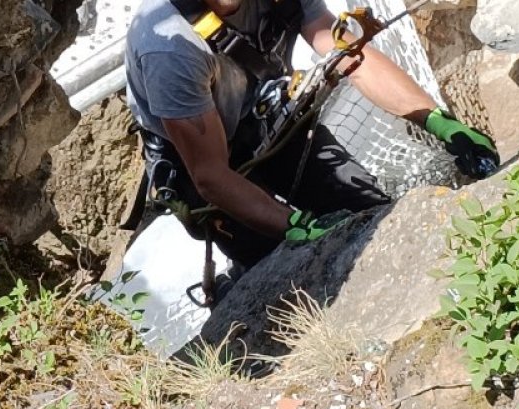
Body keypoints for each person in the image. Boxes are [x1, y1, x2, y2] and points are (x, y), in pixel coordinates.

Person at [125, 0, 499, 270]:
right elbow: (210, 174)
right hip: (199, 152)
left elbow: (350, 57)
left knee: (368, 217)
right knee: (280, 266)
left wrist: (440, 123)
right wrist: (294, 226)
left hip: (267, 119)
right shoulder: (168, 48)